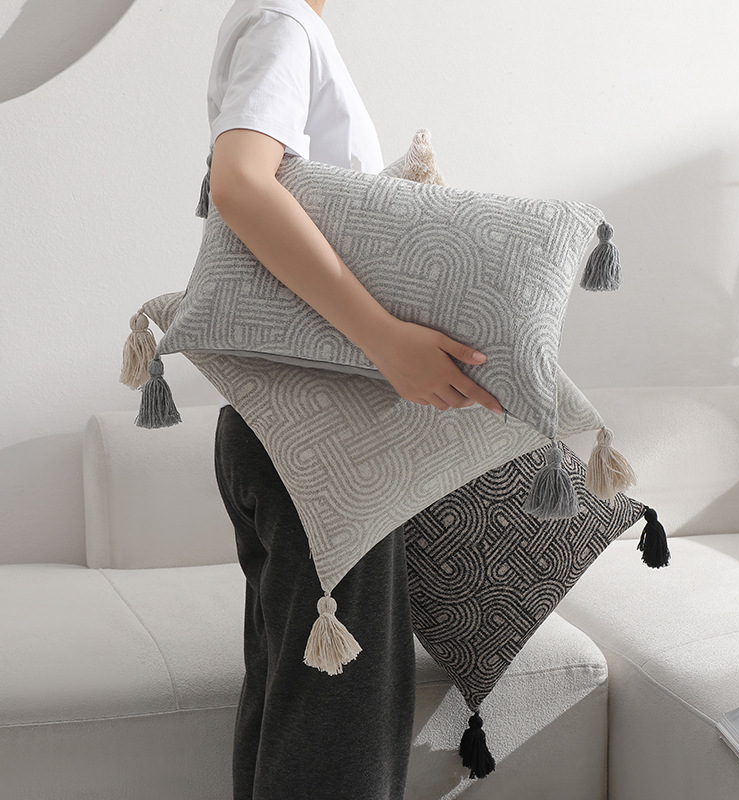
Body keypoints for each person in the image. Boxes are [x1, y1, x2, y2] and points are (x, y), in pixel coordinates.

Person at [205, 1, 504, 797]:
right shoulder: (283, 23)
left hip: (286, 429)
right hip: (321, 441)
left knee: (295, 716)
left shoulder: (277, 21)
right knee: (339, 739)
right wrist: (386, 339)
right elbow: (239, 182)